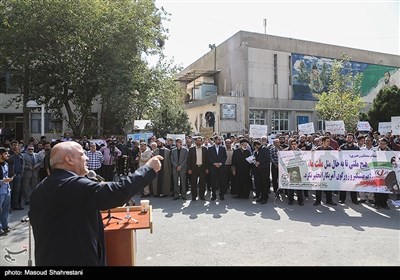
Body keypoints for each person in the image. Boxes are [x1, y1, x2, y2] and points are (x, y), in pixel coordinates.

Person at [28, 141, 162, 266]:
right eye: (82, 154)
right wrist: (148, 169)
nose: (86, 158)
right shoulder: (73, 185)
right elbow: (117, 192)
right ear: (68, 159)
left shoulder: (41, 188)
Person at [0, 147, 13, 236]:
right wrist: (2, 181)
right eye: (5, 154)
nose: (7, 155)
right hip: (0, 191)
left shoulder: (6, 164)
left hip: (7, 190)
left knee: (6, 210)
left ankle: (5, 226)